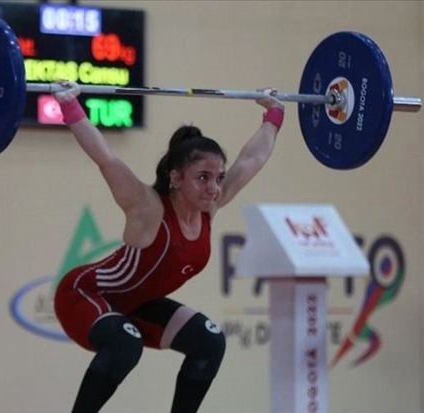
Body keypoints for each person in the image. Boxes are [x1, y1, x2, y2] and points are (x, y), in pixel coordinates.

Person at [52, 80, 284, 413]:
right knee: (125, 343)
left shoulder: (209, 208)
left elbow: (252, 159)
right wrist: (69, 106)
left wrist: (274, 115)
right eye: (203, 177)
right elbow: (105, 158)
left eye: (218, 178)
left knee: (209, 342)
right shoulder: (147, 207)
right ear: (176, 178)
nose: (214, 187)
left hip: (134, 306)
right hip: (84, 294)